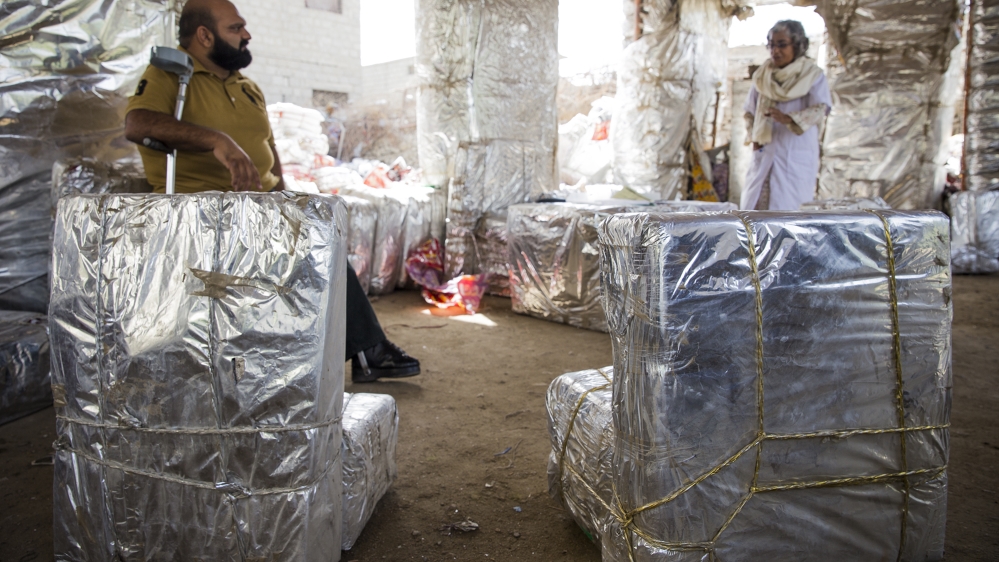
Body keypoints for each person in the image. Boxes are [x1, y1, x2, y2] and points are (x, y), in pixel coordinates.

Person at [124, 0, 418, 383]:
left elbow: (270, 151)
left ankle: (365, 352)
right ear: (203, 35)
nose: (247, 35)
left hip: (261, 208)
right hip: (204, 215)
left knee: (322, 233)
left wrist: (285, 196)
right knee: (312, 252)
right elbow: (137, 123)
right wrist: (216, 139)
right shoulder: (172, 74)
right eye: (236, 28)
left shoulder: (248, 89)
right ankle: (353, 354)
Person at [742, 20, 832, 211]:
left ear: (797, 45)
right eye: (772, 45)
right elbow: (749, 112)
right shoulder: (762, 76)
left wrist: (790, 118)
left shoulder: (812, 75)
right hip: (765, 153)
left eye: (782, 45)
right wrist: (753, 136)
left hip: (795, 155)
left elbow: (821, 109)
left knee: (789, 216)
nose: (775, 51)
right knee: (755, 212)